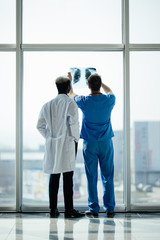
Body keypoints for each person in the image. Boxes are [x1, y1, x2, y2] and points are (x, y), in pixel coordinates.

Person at [37, 76, 85, 218]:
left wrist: (50, 138)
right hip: (68, 143)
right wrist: (75, 139)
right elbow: (74, 125)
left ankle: (53, 209)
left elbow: (39, 126)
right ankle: (69, 210)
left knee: (54, 176)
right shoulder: (71, 104)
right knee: (68, 178)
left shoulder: (47, 105)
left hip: (52, 145)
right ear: (68, 87)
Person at [68, 72, 116, 217]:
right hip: (106, 143)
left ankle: (94, 209)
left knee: (91, 176)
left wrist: (70, 81)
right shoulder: (109, 100)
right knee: (108, 176)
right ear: (99, 85)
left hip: (90, 144)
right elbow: (110, 91)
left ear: (88, 86)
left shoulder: (84, 101)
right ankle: (109, 208)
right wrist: (101, 83)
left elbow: (71, 94)